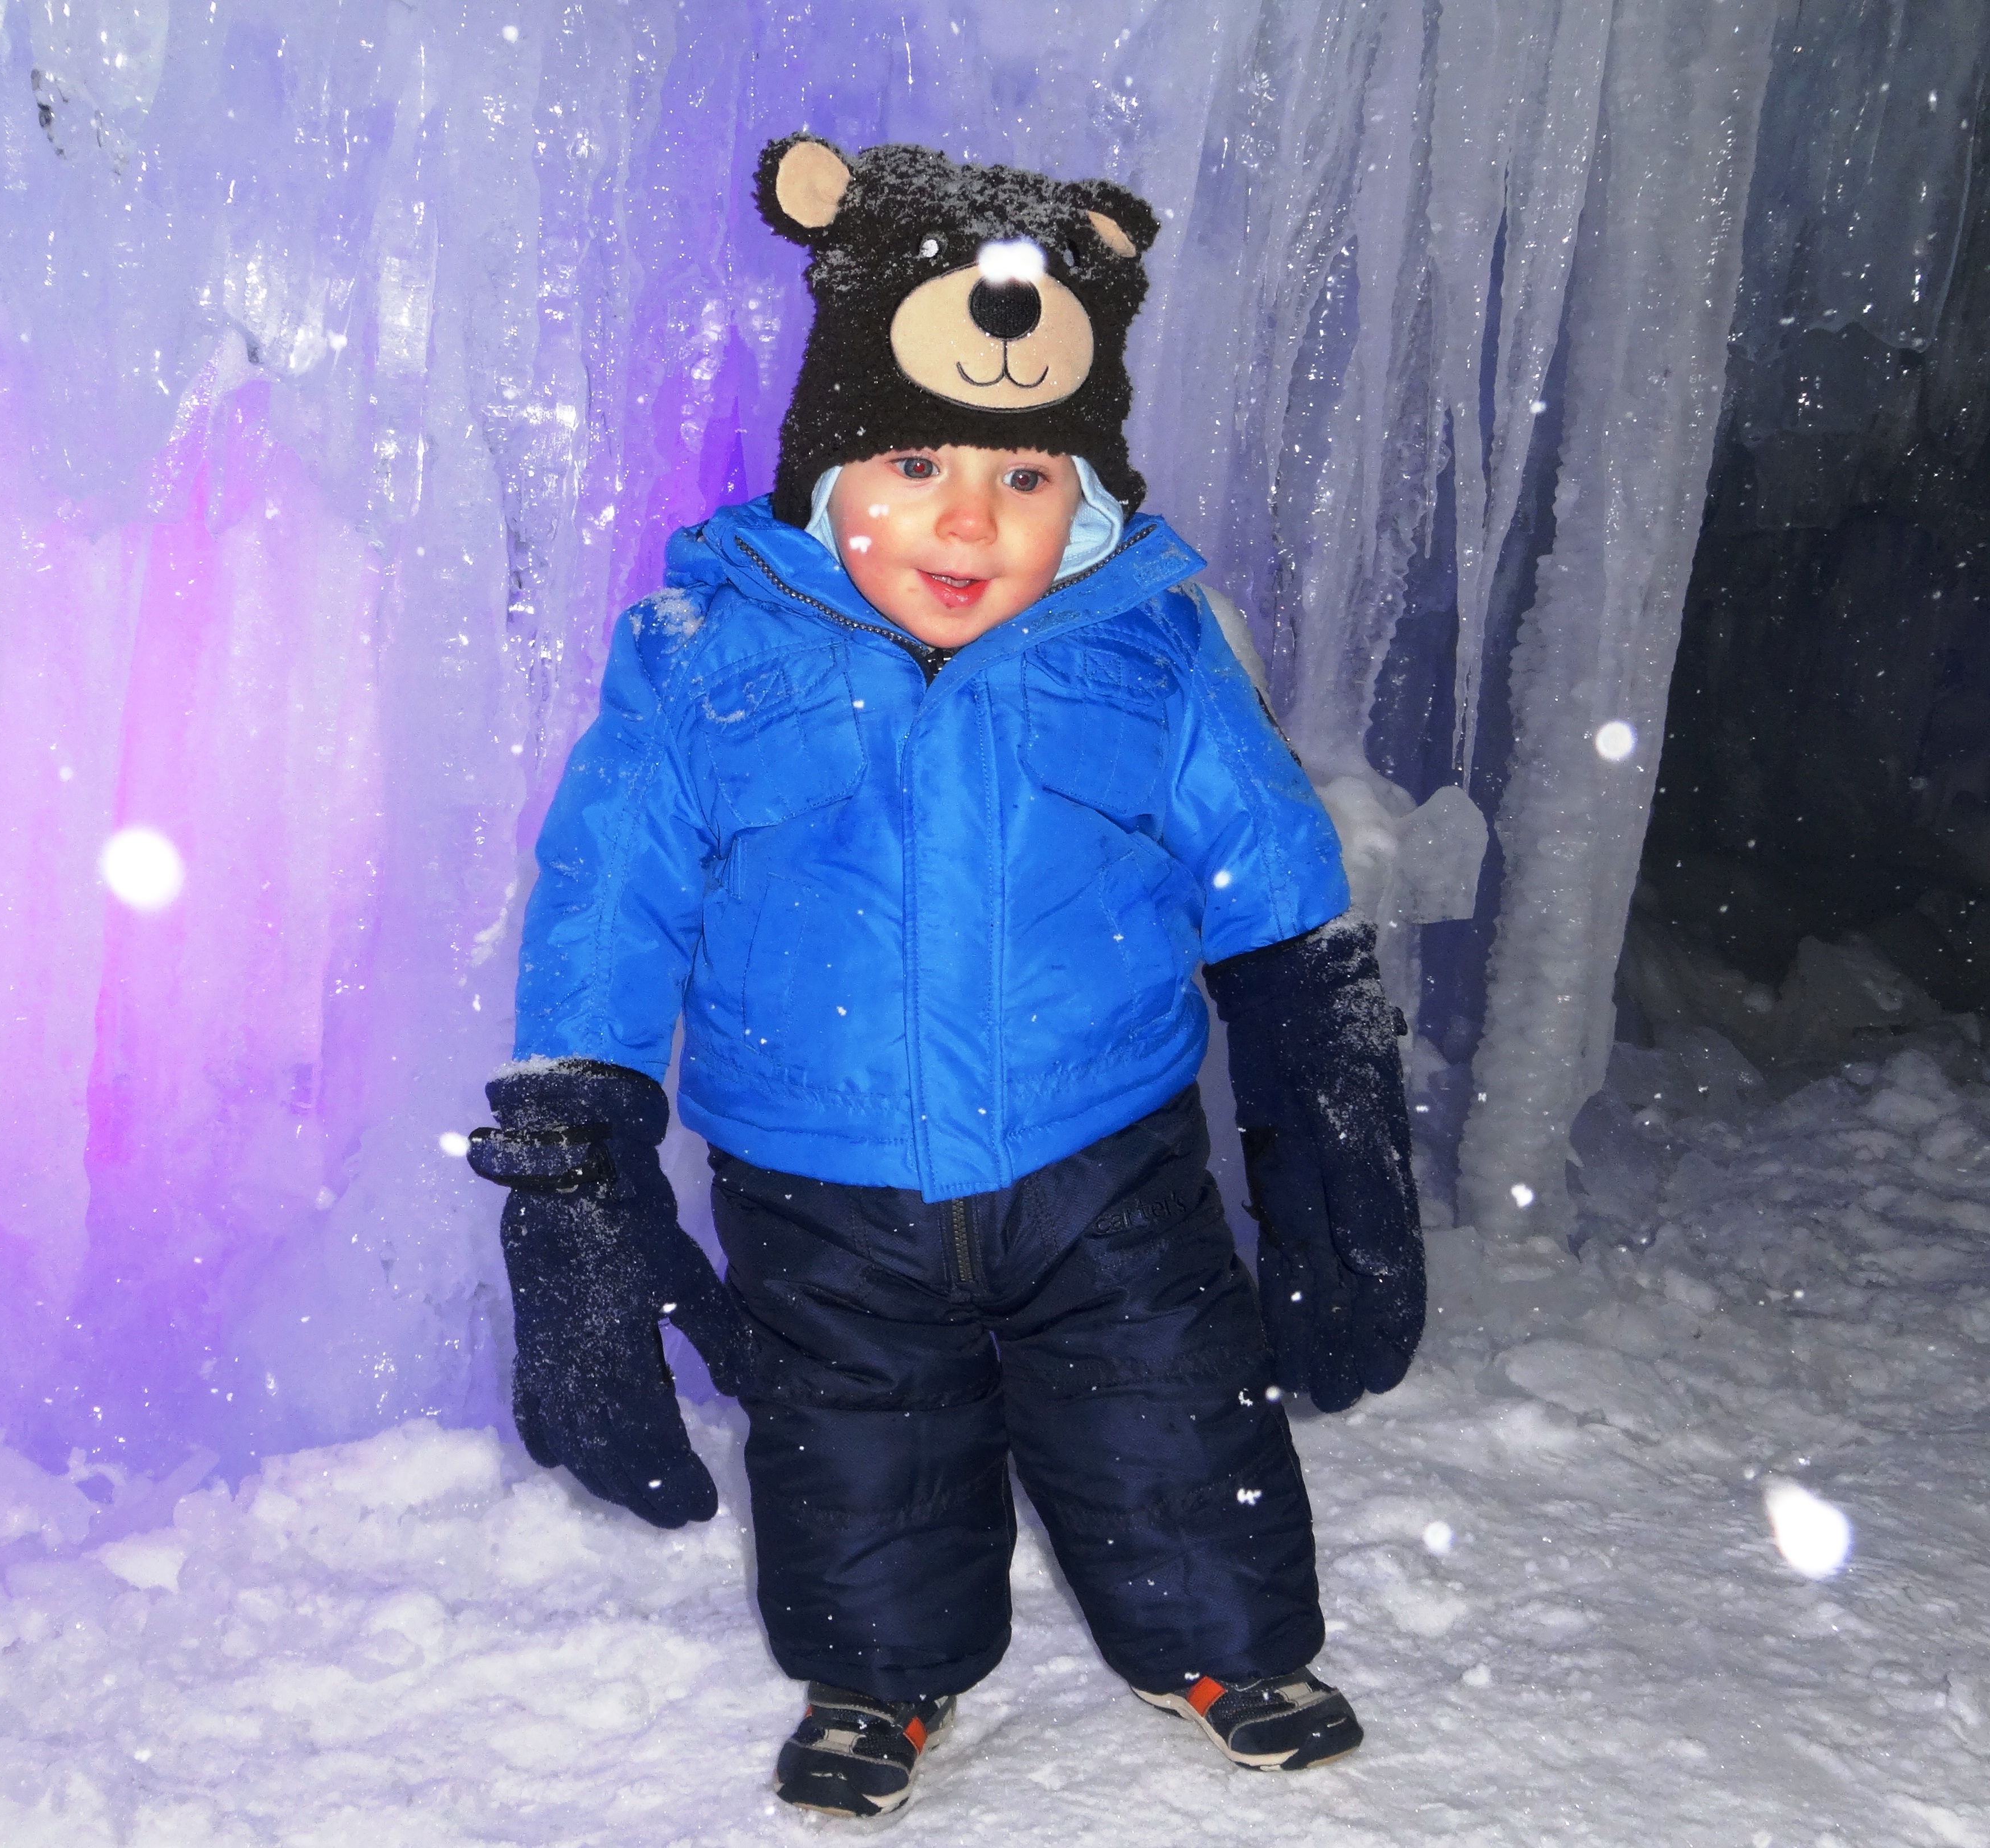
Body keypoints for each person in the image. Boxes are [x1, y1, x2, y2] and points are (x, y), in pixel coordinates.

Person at [465, 133, 1426, 1820]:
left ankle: (1228, 1646)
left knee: (1170, 1412)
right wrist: (574, 1145)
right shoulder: (705, 654)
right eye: (913, 463)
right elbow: (612, 892)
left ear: (1087, 493)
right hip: (818, 1170)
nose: (969, 520)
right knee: (859, 1440)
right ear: (829, 471)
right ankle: (878, 1679)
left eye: (1027, 477)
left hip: (1104, 1148)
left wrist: (1320, 1061)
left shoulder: (1148, 641)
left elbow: (1265, 856)